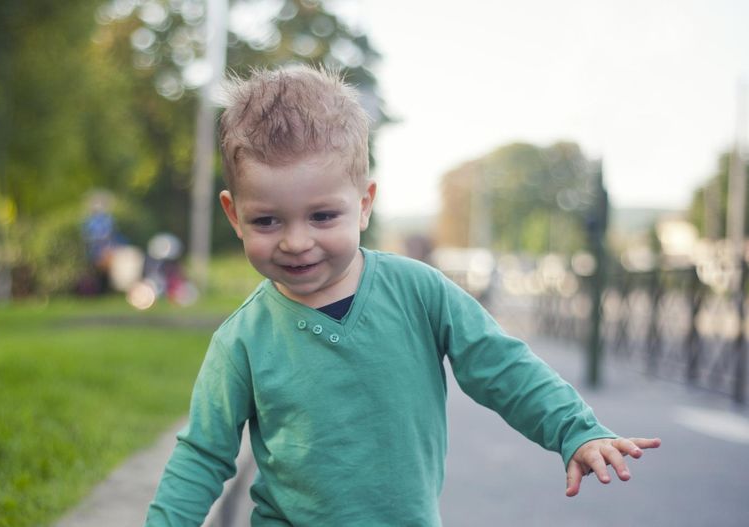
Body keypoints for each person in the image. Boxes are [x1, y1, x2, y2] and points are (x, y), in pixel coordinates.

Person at [144, 65, 660, 526]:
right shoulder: (242, 340)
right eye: (267, 220)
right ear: (235, 215)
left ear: (364, 203)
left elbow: (502, 366)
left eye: (323, 216)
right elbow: (204, 455)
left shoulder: (420, 291)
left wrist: (575, 430)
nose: (296, 241)